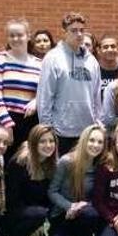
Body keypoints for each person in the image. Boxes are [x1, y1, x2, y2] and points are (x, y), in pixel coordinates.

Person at [37, 12, 103, 155]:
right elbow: (44, 98)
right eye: (74, 30)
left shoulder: (91, 61)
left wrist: (98, 123)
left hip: (87, 132)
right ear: (64, 32)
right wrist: (47, 130)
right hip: (61, 133)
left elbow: (96, 96)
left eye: (81, 30)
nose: (79, 34)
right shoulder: (53, 58)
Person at [48, 125, 107, 236]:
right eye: (92, 140)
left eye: (100, 142)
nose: (95, 145)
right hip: (63, 215)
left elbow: (101, 197)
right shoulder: (66, 162)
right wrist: (70, 206)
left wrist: (81, 206)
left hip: (85, 214)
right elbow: (52, 191)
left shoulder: (101, 165)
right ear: (84, 140)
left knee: (91, 213)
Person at [2, 124, 58, 236]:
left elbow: (51, 197)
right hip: (14, 214)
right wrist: (40, 218)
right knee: (38, 213)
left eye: (51, 141)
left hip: (38, 217)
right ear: (34, 143)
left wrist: (44, 222)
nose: (48, 145)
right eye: (43, 141)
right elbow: (12, 201)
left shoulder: (51, 163)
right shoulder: (20, 162)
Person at [0, 18, 42, 162]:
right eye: (12, 35)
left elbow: (45, 92)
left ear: (28, 36)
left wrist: (36, 101)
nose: (16, 39)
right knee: (3, 165)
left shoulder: (39, 64)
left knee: (26, 165)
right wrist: (7, 124)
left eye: (20, 35)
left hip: (30, 122)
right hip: (5, 121)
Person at [97, 33, 118, 101]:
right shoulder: (94, 72)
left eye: (113, 46)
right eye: (105, 47)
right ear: (99, 51)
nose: (110, 49)